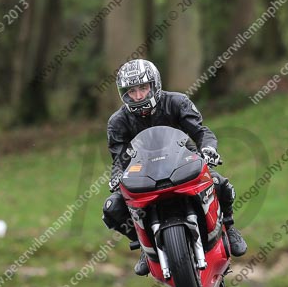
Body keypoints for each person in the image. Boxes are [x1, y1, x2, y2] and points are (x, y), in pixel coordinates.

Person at [102, 59, 247, 276]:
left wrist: (208, 149)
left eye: (143, 87)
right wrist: (116, 175)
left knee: (219, 183)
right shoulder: (117, 122)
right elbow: (119, 158)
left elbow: (201, 132)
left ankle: (230, 226)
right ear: (124, 94)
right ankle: (143, 245)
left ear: (155, 84)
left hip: (183, 163)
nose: (139, 96)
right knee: (112, 208)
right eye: (132, 91)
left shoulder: (177, 102)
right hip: (144, 175)